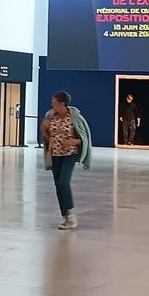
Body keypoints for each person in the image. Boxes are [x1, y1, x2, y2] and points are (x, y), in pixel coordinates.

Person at [41, 91, 92, 230]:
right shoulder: (50, 116)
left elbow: (84, 137)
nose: (52, 104)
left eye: (54, 102)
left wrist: (73, 141)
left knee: (64, 182)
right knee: (58, 185)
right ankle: (65, 216)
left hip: (69, 154)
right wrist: (44, 129)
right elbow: (47, 138)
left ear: (62, 103)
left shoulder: (75, 117)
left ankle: (71, 215)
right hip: (55, 154)